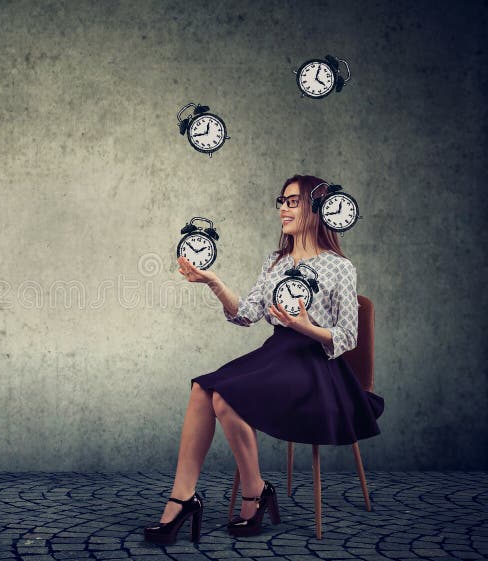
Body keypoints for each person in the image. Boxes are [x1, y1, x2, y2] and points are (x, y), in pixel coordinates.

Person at [143, 174, 385, 545]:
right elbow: (246, 314)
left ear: (316, 208)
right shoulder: (275, 261)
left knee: (224, 397)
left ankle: (254, 495)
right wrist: (213, 282)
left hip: (316, 365)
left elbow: (348, 337)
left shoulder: (340, 267)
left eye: (292, 201)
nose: (282, 209)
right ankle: (183, 499)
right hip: (275, 354)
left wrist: (308, 328)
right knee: (201, 389)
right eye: (281, 201)